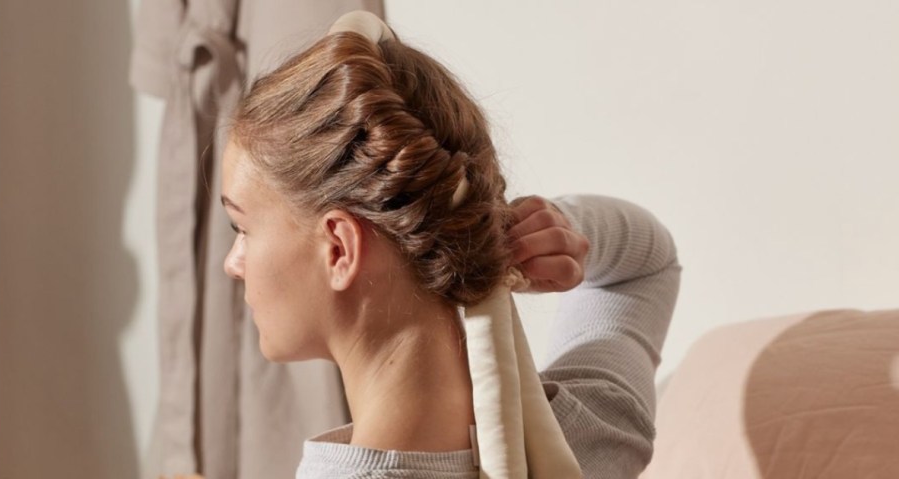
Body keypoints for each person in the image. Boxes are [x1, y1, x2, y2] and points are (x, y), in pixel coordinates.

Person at [220, 11, 682, 479]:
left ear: (339, 248)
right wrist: (548, 228)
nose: (232, 264)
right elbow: (647, 263)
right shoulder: (586, 436)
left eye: (242, 228)